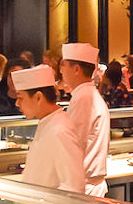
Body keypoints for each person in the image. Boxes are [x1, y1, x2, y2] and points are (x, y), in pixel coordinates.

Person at [12, 65, 85, 193]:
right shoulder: (47, 122)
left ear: (38, 97)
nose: (17, 103)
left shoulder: (60, 130)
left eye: (20, 98)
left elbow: (74, 187)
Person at [59, 43, 110, 198]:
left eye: (64, 65)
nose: (61, 70)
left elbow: (73, 145)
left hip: (84, 189)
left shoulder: (83, 98)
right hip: (86, 185)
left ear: (76, 69)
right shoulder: (85, 94)